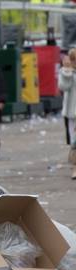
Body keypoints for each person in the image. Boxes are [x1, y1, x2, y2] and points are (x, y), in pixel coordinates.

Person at [58, 49, 76, 180]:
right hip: (73, 113)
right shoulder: (66, 72)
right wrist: (67, 72)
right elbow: (63, 87)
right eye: (72, 59)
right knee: (74, 142)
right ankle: (75, 168)